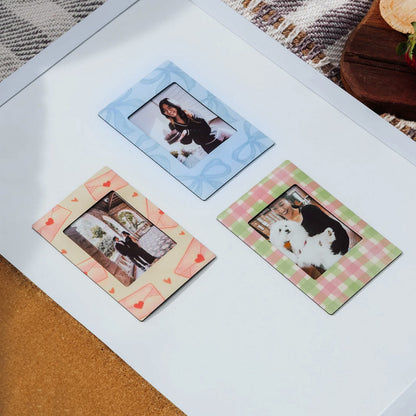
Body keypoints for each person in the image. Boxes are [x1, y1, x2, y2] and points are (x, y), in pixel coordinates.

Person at [271, 197, 350, 255]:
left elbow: (335, 227)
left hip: (340, 251)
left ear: (288, 201)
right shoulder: (285, 228)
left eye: (282, 204)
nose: (281, 210)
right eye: (275, 208)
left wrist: (338, 252)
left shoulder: (309, 210)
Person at [158, 98, 223, 154]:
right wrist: (181, 138)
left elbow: (207, 129)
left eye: (169, 107)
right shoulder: (172, 125)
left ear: (174, 105)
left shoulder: (190, 112)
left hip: (217, 137)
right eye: (165, 111)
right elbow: (188, 141)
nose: (169, 111)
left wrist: (187, 132)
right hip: (205, 146)